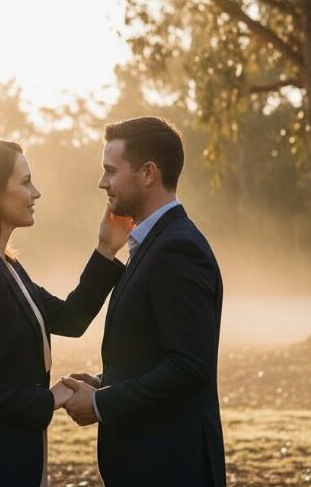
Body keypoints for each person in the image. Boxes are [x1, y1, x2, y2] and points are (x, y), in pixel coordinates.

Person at [0, 137, 132, 487]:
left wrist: (106, 249)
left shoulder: (5, 266)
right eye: (25, 182)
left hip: (6, 456)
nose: (36, 193)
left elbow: (71, 318)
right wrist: (45, 401)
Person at [59, 117, 227, 486]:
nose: (102, 182)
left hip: (170, 468)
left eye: (110, 170)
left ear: (148, 172)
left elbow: (189, 366)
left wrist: (102, 404)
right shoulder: (153, 243)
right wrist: (108, 381)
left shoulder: (178, 248)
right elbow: (160, 350)